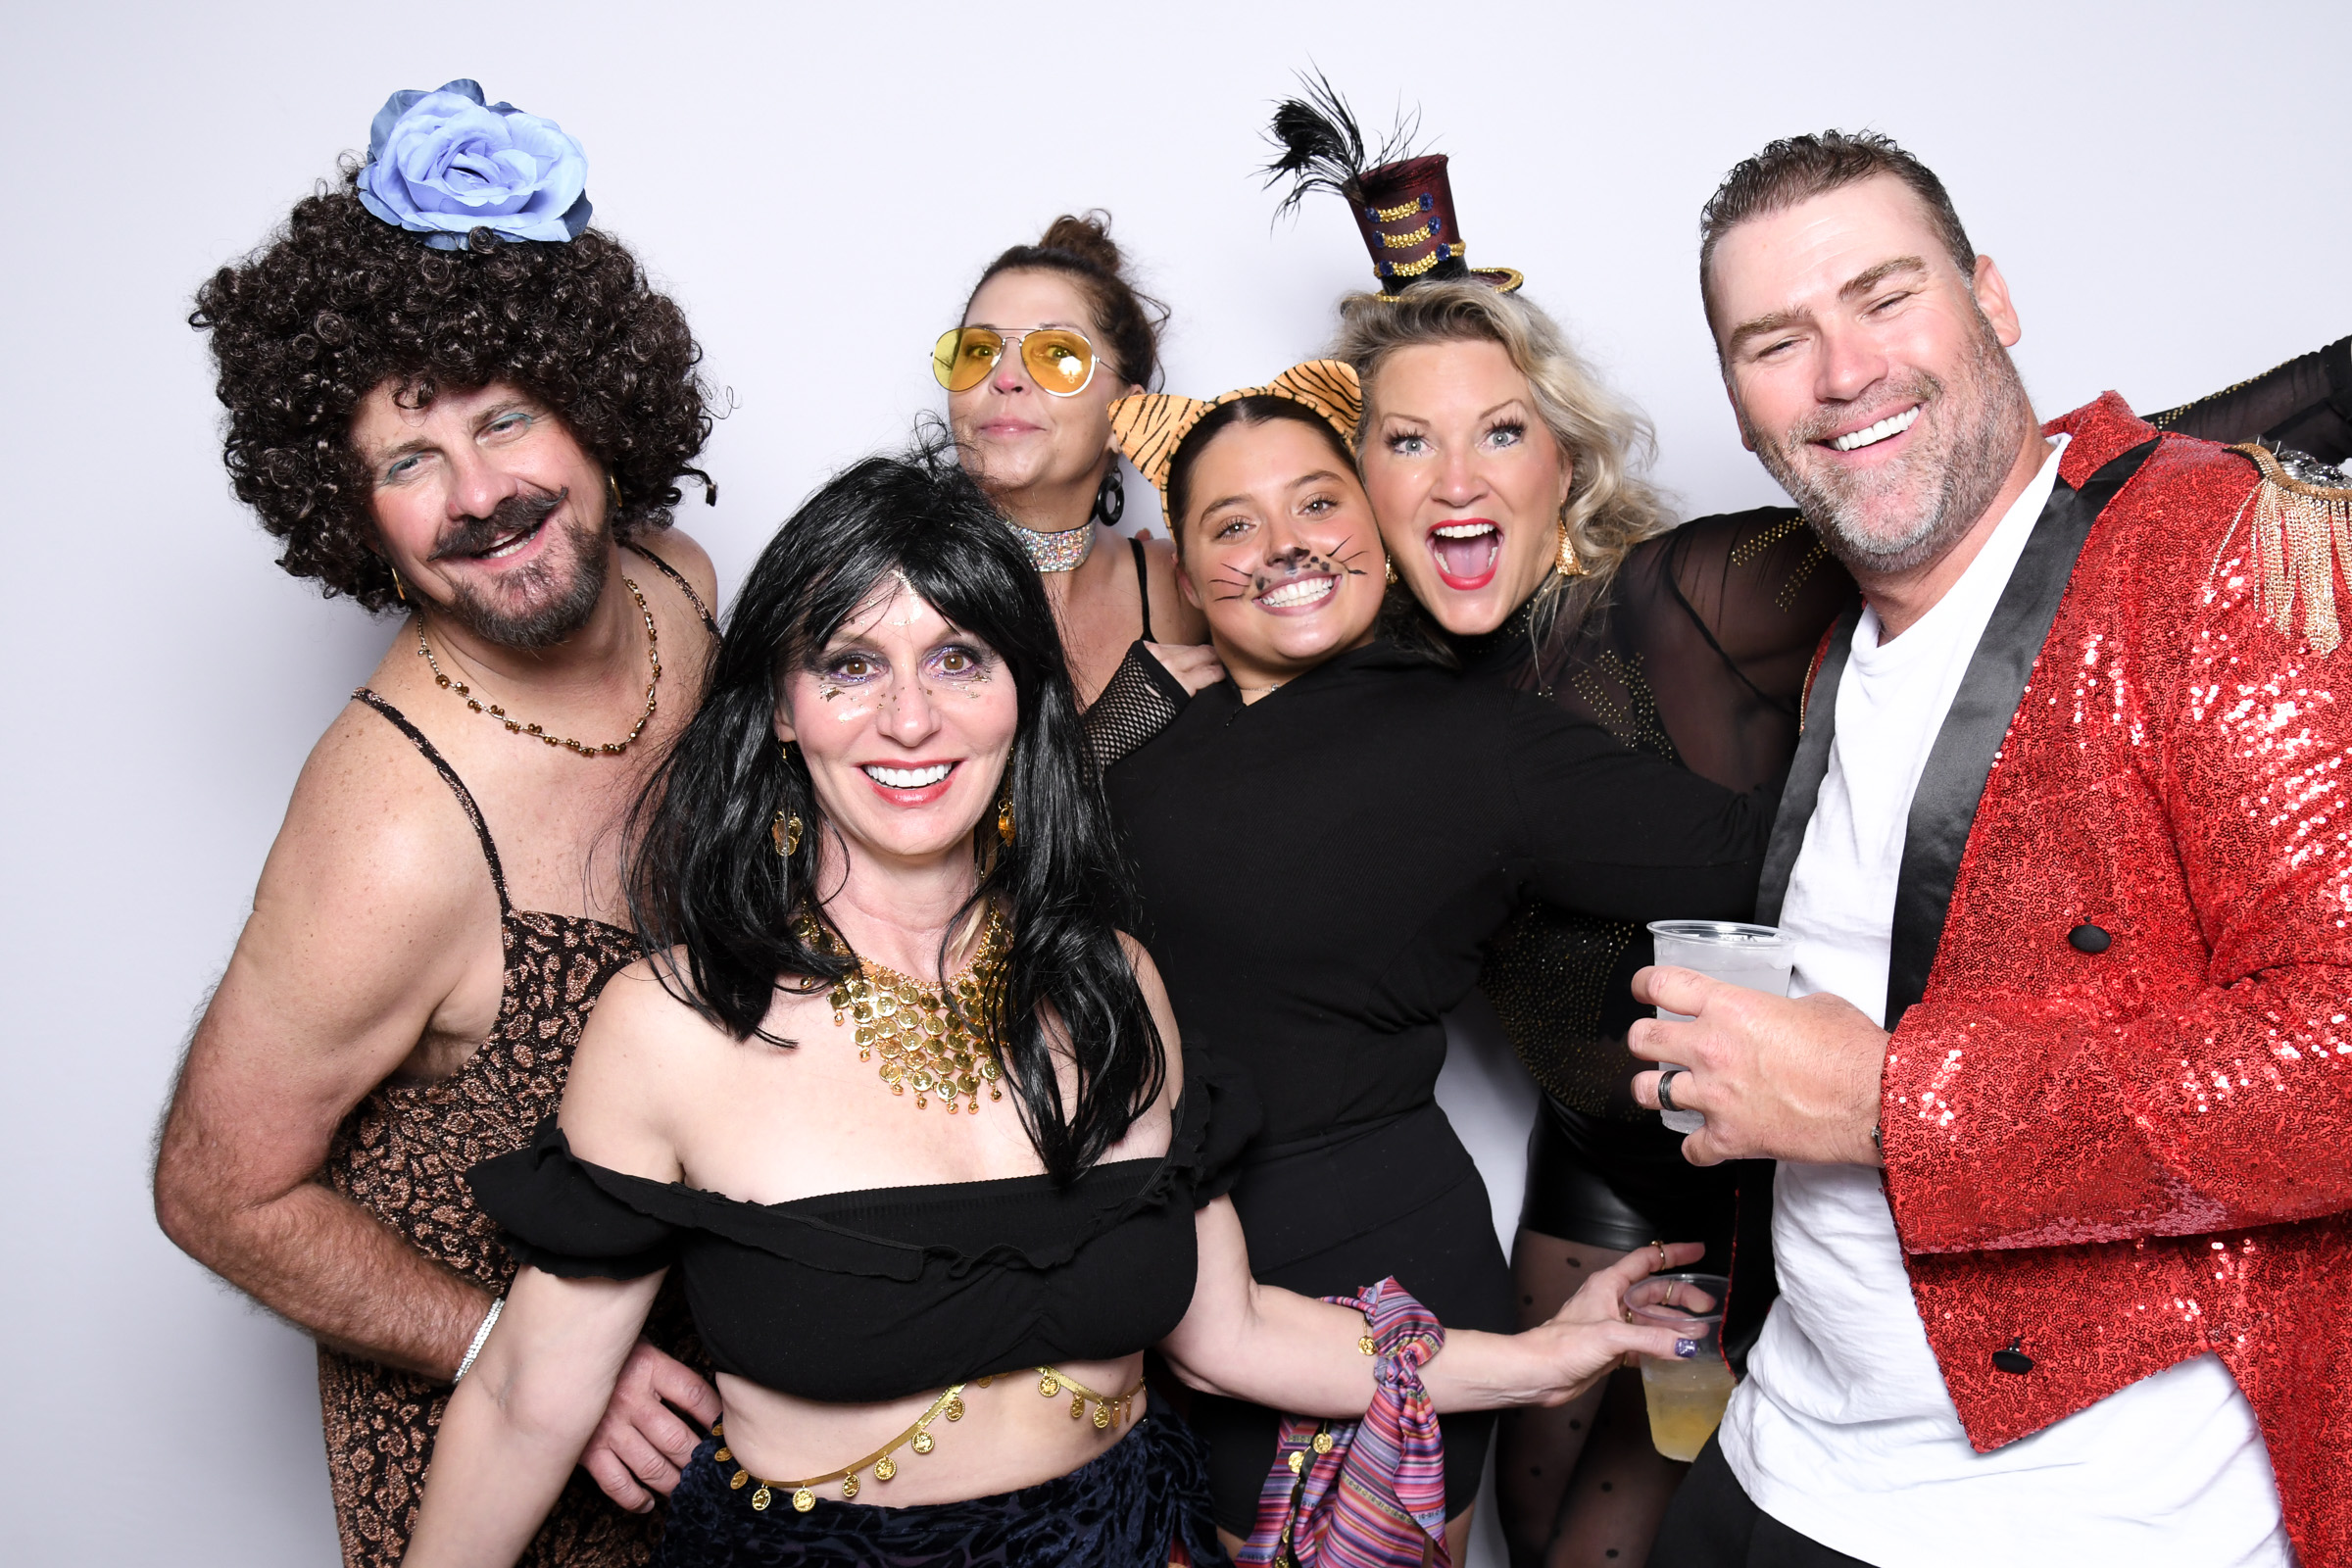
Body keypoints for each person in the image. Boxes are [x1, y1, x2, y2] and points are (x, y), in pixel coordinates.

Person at [1258, 79, 2352, 1568]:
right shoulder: (1370, 679)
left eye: (1501, 431)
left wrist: (2281, 435)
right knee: (1538, 1508)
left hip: (1917, 1317)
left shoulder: (1694, 602)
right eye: (1405, 443)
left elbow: (2016, 506)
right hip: (1697, 1241)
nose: (1457, 478)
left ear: (1561, 454)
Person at [397, 444, 1702, 1568]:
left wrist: (1546, 1355)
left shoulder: (1113, 982)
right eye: (849, 664)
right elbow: (523, 1402)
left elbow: (1234, 1335)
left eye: (957, 657)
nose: (910, 718)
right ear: (782, 711)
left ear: (1022, 695)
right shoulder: (672, 1023)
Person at [1625, 130, 2351, 1567]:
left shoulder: (2216, 553)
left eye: (1885, 297)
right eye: (1778, 341)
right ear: (1741, 403)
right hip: (1782, 1453)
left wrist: (1887, 1102)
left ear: (1993, 300)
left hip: (2088, 1519)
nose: (1844, 372)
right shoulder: (1845, 638)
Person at [152, 80, 723, 1568]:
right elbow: (215, 1189)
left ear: (594, 407)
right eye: (409, 463)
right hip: (505, 1461)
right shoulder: (396, 828)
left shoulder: (681, 587)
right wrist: (511, 1356)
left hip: (724, 1377)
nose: (483, 494)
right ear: (354, 516)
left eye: (506, 418)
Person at [1096, 368, 1786, 1562]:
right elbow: (993, 903)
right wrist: (1129, 699)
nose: (1283, 544)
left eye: (1318, 503)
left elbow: (1754, 857)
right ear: (1185, 567)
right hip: (1150, 1291)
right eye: (1233, 524)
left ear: (1373, 525)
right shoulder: (1148, 742)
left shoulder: (1479, 744)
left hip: (1367, 1287)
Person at [939, 213, 1215, 708]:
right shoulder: (882, 580)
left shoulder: (1182, 586)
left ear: (1126, 416)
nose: (1005, 378)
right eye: (978, 351)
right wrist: (1123, 720)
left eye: (1057, 354)